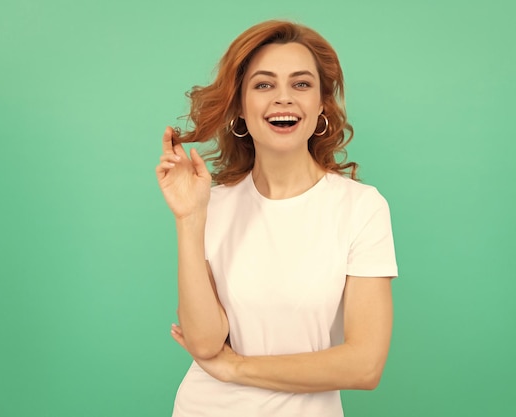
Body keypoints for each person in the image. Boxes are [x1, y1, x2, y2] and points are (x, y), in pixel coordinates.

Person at [155, 20, 398, 417]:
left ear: (322, 104)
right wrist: (189, 218)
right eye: (263, 84)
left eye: (301, 84)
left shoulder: (361, 208)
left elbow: (365, 365)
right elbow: (204, 343)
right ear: (240, 106)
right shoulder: (211, 205)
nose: (283, 98)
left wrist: (238, 368)